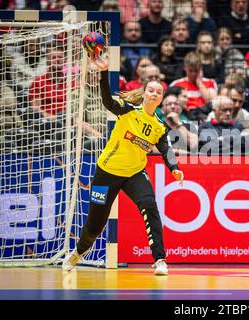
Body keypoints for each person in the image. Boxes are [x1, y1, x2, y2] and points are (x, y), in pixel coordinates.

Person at [62, 54, 184, 275]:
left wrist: (174, 168)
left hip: (135, 173)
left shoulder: (158, 125)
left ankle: (160, 260)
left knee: (149, 205)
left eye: (159, 92)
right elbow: (108, 101)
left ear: (161, 98)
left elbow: (166, 149)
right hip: (106, 173)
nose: (155, 94)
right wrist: (103, 73)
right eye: (151, 90)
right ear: (144, 93)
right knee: (95, 224)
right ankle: (78, 253)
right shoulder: (128, 110)